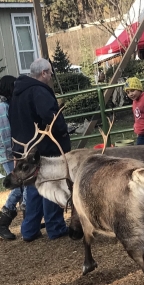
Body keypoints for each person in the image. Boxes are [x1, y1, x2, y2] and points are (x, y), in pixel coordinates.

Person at [10, 58, 70, 242]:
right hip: (44, 147)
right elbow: (49, 116)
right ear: (43, 73)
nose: (51, 76)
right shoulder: (38, 91)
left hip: (26, 147)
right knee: (50, 183)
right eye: (50, 73)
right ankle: (55, 227)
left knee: (34, 186)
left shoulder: (17, 93)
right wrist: (61, 130)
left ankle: (29, 229)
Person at [0, 75, 27, 240]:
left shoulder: (8, 104)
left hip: (13, 153)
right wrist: (14, 154)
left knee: (23, 186)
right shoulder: (3, 107)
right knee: (18, 187)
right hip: (9, 155)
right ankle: (3, 222)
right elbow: (5, 134)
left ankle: (28, 222)